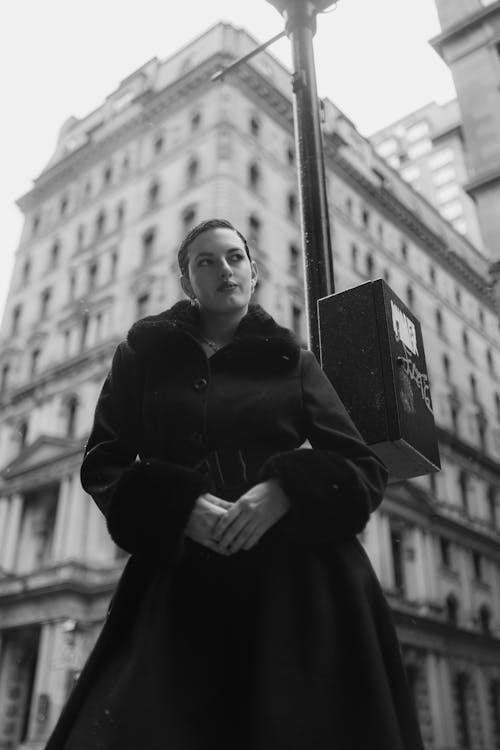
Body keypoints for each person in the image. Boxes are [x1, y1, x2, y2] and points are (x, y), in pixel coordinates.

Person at [45, 218, 425, 750]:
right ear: (186, 283)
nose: (224, 269)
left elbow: (362, 467)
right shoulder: (142, 352)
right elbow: (103, 463)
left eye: (235, 257)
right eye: (206, 261)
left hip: (301, 583)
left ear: (253, 272)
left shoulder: (292, 357)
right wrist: (176, 507)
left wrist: (285, 490)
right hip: (177, 577)